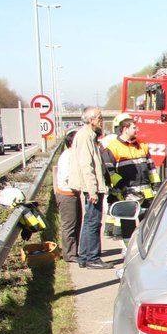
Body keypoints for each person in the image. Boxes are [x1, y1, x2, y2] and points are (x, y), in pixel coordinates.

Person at [68, 107, 114, 269]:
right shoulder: (85, 136)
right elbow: (86, 165)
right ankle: (92, 258)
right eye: (99, 117)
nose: (101, 120)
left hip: (92, 187)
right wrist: (92, 190)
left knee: (90, 221)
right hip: (92, 188)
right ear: (91, 120)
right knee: (93, 222)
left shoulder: (88, 135)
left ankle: (85, 257)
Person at [105, 118, 157, 238]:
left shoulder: (142, 145)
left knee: (149, 226)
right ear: (125, 129)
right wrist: (122, 186)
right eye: (134, 127)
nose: (137, 130)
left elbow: (151, 168)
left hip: (147, 195)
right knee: (128, 226)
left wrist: (156, 186)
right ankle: (128, 247)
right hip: (127, 193)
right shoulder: (113, 147)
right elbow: (110, 172)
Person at [54, 129, 80, 263]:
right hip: (67, 195)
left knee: (76, 224)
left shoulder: (73, 155)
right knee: (69, 225)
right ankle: (69, 254)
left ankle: (73, 252)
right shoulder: (68, 156)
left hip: (72, 194)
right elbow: (67, 177)